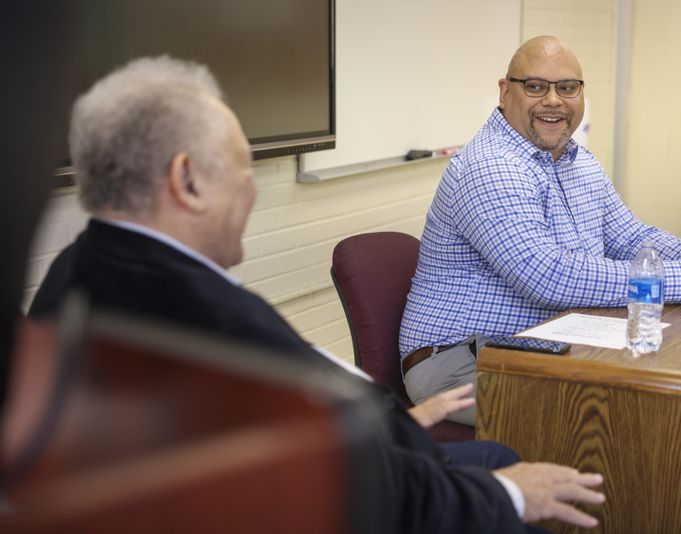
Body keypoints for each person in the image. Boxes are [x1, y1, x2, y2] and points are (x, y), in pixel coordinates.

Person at [29, 56, 605, 533]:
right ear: (186, 181)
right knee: (509, 480)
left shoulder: (78, 273)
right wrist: (506, 499)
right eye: (241, 169)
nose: (251, 193)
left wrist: (395, 419)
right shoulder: (214, 323)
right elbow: (360, 484)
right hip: (341, 493)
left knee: (495, 458)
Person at [399, 35, 681, 426]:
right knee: (622, 413)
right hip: (463, 363)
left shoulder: (576, 160)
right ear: (504, 92)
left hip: (543, 343)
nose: (553, 101)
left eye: (567, 88)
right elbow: (549, 277)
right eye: (535, 86)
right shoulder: (492, 167)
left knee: (663, 390)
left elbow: (627, 235)